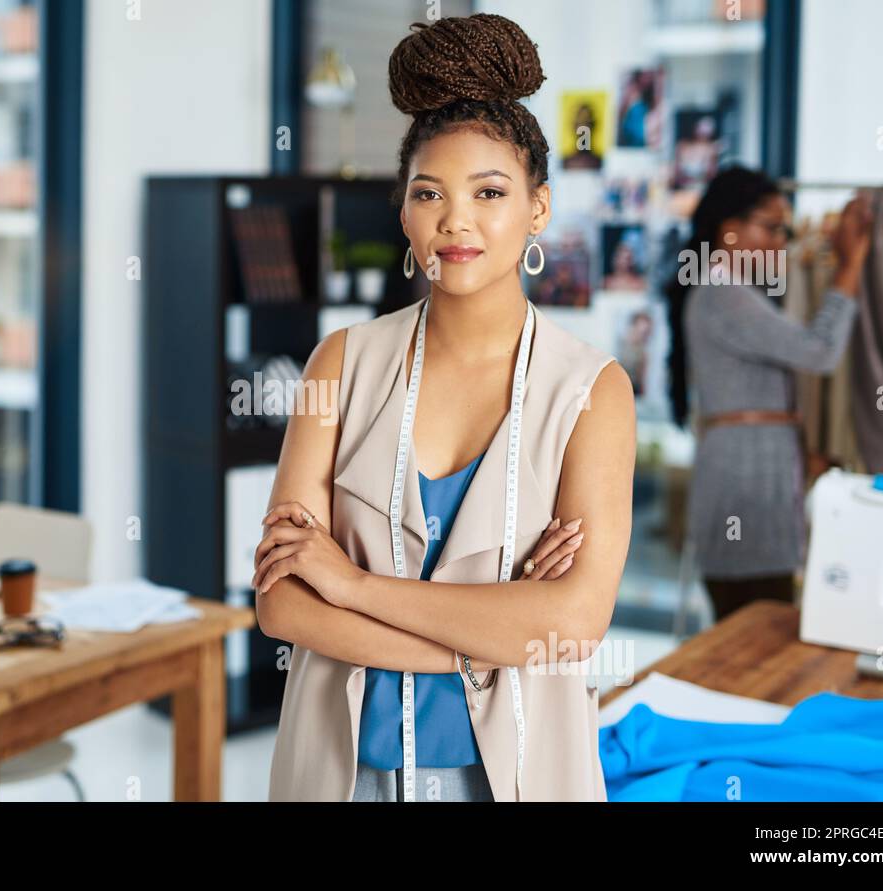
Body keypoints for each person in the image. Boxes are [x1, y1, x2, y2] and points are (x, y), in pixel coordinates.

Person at [255, 13, 637, 802]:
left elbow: (572, 625)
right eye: (429, 192)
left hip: (513, 777)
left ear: (538, 207)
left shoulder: (591, 393)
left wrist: (352, 585)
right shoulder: (343, 362)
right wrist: (489, 637)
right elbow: (282, 601)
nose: (455, 219)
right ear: (403, 210)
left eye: (489, 192)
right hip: (342, 772)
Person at [664, 165, 874, 622]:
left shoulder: (735, 291)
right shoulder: (723, 293)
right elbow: (818, 352)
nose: (782, 242)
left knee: (757, 625)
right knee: (755, 630)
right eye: (772, 227)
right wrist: (851, 264)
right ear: (730, 231)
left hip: (753, 478)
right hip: (745, 486)